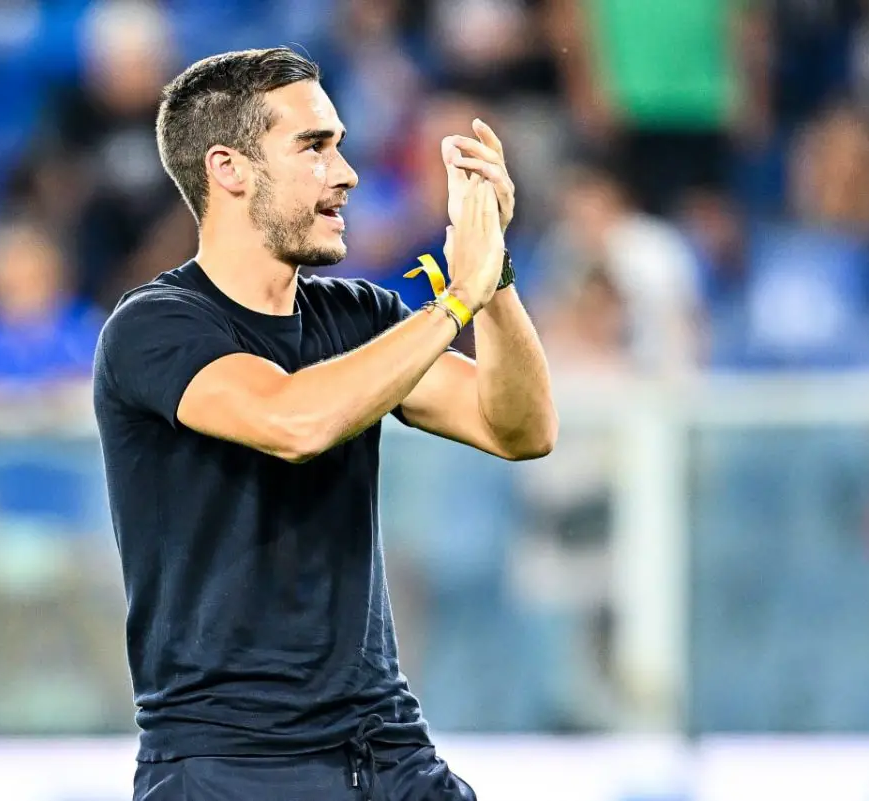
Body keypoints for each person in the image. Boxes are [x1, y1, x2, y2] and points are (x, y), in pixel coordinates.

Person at [91, 46, 557, 801]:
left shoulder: (358, 317)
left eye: (339, 145)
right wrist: (456, 301)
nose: (346, 174)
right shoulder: (154, 327)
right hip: (231, 763)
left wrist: (494, 277)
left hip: (389, 749)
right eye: (313, 147)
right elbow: (293, 419)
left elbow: (521, 428)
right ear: (228, 169)